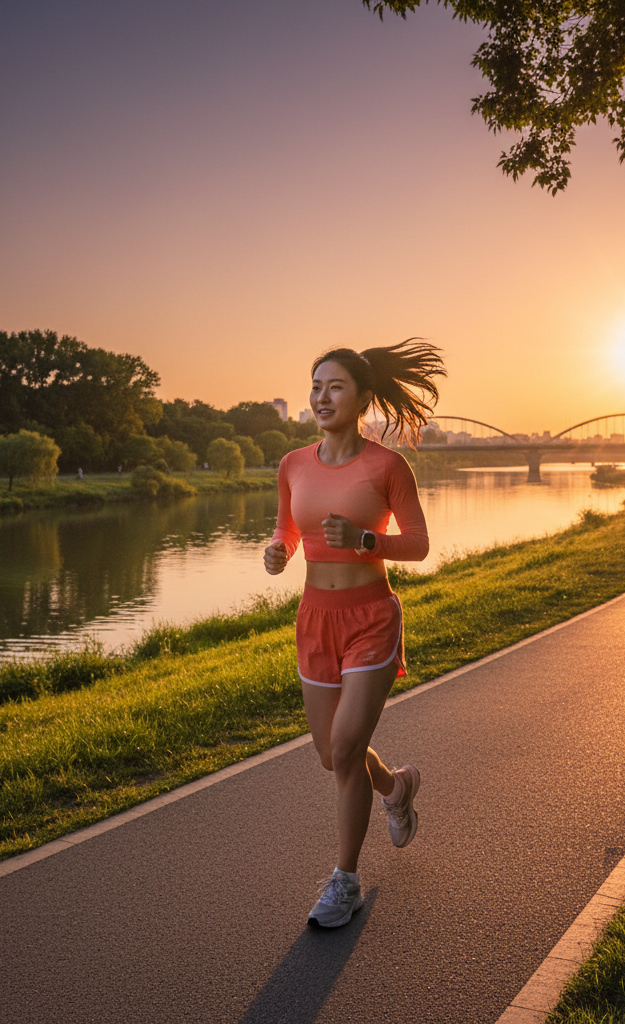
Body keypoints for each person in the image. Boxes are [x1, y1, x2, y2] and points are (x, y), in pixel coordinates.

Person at [263, 339, 445, 929]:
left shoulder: (387, 466)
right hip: (315, 620)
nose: (321, 396)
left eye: (334, 386)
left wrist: (367, 541)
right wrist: (277, 552)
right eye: (315, 385)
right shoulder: (294, 463)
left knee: (344, 749)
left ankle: (345, 882)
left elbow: (417, 545)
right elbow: (288, 529)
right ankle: (395, 788)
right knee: (330, 755)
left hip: (370, 617)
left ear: (363, 399)